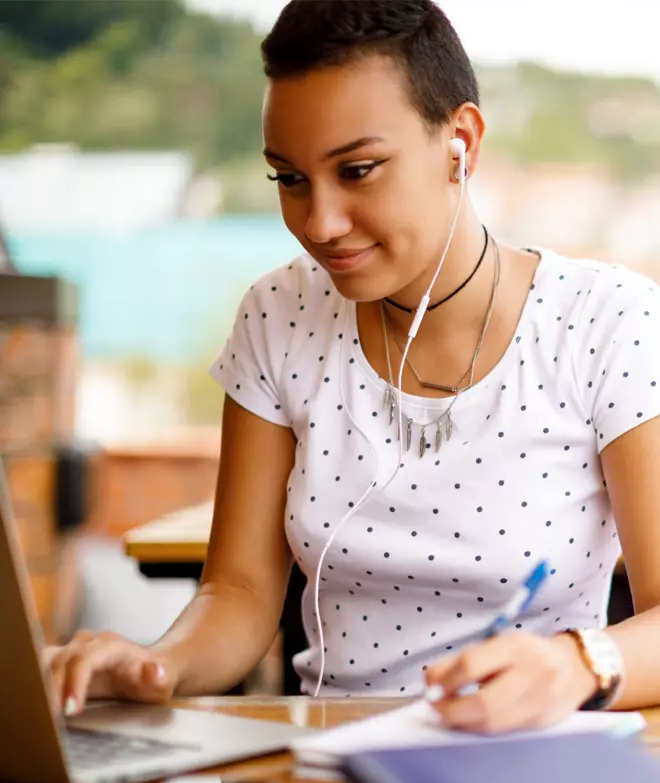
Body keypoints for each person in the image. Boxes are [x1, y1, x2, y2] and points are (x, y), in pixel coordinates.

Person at [47, 0, 660, 734]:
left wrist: (576, 665)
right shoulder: (277, 314)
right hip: (326, 768)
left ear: (460, 141)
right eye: (290, 179)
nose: (320, 224)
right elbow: (239, 591)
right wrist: (158, 664)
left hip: (531, 765)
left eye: (358, 170)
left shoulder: (606, 320)